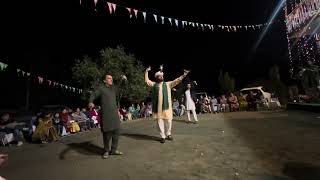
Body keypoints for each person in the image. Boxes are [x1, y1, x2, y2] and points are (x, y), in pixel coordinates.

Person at [145, 66, 189, 143]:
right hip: (158, 108)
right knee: (160, 122)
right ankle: (163, 136)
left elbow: (176, 81)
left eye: (162, 76)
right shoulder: (154, 85)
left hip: (167, 107)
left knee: (168, 121)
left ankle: (168, 134)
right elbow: (147, 81)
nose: (161, 77)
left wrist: (183, 75)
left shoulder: (168, 84)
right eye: (160, 76)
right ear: (157, 77)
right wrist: (146, 72)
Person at [89, 74, 127, 159]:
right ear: (104, 80)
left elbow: (121, 86)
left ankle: (113, 150)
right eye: (109, 78)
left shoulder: (114, 88)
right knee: (107, 134)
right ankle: (106, 151)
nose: (111, 80)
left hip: (114, 114)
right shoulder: (101, 89)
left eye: (112, 78)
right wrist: (91, 101)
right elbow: (94, 94)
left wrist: (123, 80)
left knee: (116, 133)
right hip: (106, 115)